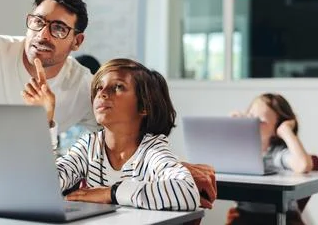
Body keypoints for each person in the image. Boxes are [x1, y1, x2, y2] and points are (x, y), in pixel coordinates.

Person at [0, 0, 216, 208]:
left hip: (21, 199)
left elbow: (123, 141)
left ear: (76, 41)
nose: (42, 34)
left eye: (57, 28)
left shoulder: (87, 86)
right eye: (37, 22)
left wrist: (173, 168)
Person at [24, 58, 200, 210]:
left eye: (118, 87)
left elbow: (187, 192)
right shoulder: (88, 146)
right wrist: (44, 118)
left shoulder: (151, 149)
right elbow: (43, 185)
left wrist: (111, 193)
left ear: (144, 106)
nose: (102, 93)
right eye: (99, 87)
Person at [226, 93, 313, 225]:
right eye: (250, 117)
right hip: (245, 217)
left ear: (275, 129)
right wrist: (230, 129)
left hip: (279, 218)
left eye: (260, 121)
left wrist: (286, 131)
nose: (252, 124)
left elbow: (303, 165)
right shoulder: (239, 151)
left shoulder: (276, 154)